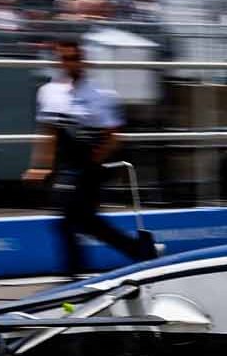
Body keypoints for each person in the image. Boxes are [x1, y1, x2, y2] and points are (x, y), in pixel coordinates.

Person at [24, 38, 156, 275]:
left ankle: (73, 275)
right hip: (64, 165)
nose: (69, 63)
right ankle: (138, 249)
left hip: (90, 164)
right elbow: (48, 132)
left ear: (84, 61)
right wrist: (40, 166)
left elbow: (114, 136)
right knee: (83, 221)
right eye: (64, 59)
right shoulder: (48, 92)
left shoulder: (102, 95)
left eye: (74, 58)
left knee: (67, 222)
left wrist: (91, 164)